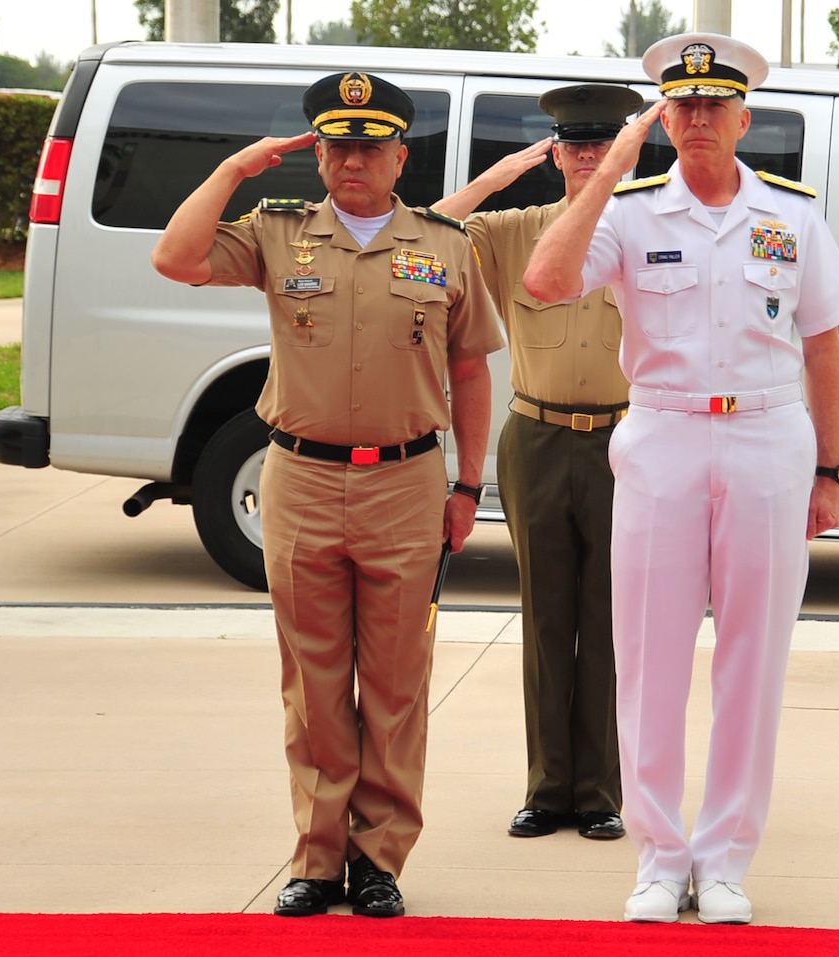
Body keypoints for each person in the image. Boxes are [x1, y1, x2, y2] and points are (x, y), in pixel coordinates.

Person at [521, 34, 839, 925]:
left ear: (745, 118)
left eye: (716, 105)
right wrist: (607, 171)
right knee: (648, 656)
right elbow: (545, 278)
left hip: (767, 437)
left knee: (755, 659)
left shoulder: (791, 215)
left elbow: (822, 346)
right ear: (663, 119)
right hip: (665, 433)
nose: (700, 118)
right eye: (683, 106)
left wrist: (828, 469)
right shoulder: (631, 212)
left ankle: (725, 860)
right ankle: (660, 856)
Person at [150, 71, 504, 919]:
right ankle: (316, 855)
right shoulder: (277, 235)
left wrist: (467, 485)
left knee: (395, 683)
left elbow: (469, 370)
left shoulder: (445, 243)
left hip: (409, 485)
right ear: (318, 154)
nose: (352, 160)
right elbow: (176, 257)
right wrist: (235, 171)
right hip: (303, 479)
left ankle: (379, 859)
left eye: (369, 145)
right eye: (337, 144)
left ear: (399, 156)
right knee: (312, 682)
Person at [431, 84, 641, 843]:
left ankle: (600, 792)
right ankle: (548, 787)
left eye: (602, 147)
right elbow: (421, 233)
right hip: (538, 436)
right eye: (576, 148)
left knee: (609, 619)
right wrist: (492, 181)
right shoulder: (517, 231)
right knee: (546, 615)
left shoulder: (649, 230)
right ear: (555, 154)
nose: (589, 160)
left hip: (628, 440)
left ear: (628, 151)